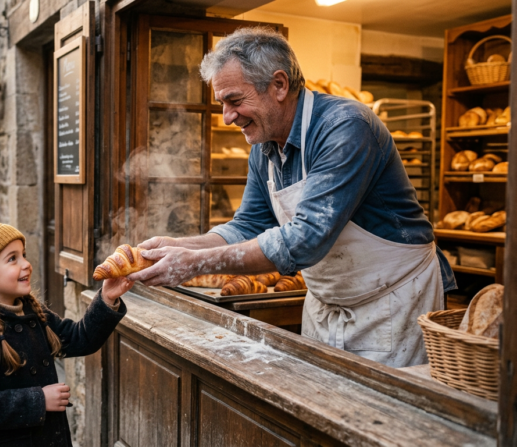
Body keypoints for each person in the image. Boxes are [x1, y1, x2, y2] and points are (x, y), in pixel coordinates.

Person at [129, 28, 455, 368]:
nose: (227, 117)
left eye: (235, 101)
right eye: (222, 104)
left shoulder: (346, 126)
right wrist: (182, 247)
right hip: (327, 303)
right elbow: (250, 224)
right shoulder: (264, 144)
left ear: (279, 85)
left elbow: (306, 239)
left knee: (384, 416)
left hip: (392, 302)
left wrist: (196, 263)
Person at [0, 221, 133, 446]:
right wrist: (39, 400)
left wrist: (107, 298)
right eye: (12, 259)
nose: (26, 264)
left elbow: (79, 339)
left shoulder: (33, 312)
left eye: (23, 254)